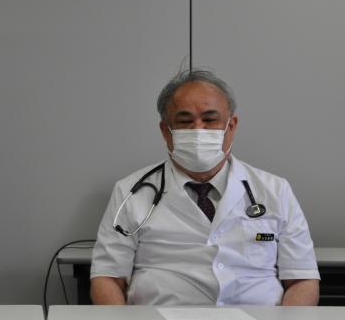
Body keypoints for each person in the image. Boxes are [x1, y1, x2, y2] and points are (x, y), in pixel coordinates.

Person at [90, 69, 320, 306]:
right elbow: (107, 277)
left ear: (231, 126)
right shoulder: (131, 192)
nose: (198, 130)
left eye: (210, 120)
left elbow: (302, 279)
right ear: (165, 131)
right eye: (184, 121)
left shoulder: (275, 190)